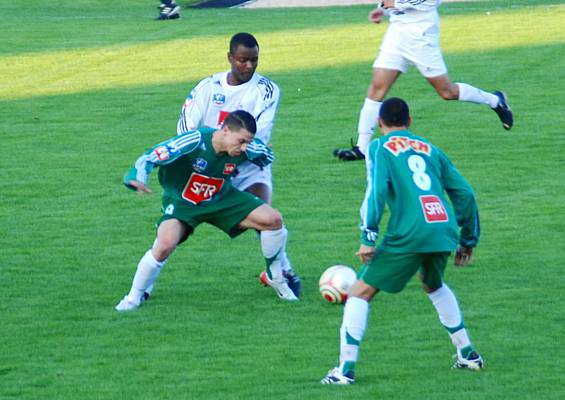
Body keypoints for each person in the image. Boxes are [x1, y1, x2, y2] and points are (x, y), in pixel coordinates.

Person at [322, 98, 483, 384]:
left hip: (410, 232)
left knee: (359, 292)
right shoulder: (431, 149)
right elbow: (466, 193)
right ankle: (467, 354)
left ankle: (344, 371)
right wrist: (468, 239)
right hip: (441, 228)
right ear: (409, 122)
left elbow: (377, 192)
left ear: (379, 123)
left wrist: (367, 237)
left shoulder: (379, 147)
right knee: (432, 284)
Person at [115, 111, 298, 312]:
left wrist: (258, 152)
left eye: (248, 142)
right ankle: (133, 298)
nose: (244, 146)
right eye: (241, 141)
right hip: (183, 201)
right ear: (225, 130)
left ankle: (276, 277)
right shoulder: (194, 140)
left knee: (273, 220)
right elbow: (151, 156)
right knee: (165, 244)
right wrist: (137, 176)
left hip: (221, 198)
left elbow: (267, 155)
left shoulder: (245, 147)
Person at [176, 32, 301, 295]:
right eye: (243, 60)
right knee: (178, 231)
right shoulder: (208, 87)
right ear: (230, 57)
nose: (249, 66)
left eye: (254, 60)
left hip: (248, 165)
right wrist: (202, 157)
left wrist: (239, 151)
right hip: (209, 169)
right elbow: (186, 127)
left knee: (263, 214)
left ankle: (282, 271)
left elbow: (261, 135)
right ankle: (142, 288)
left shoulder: (266, 90)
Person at [333, 0, 513, 161]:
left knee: (446, 92)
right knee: (377, 88)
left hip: (421, 33)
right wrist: (383, 9)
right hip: (397, 33)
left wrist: (396, 4)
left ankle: (496, 101)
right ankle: (362, 148)